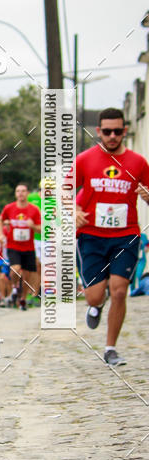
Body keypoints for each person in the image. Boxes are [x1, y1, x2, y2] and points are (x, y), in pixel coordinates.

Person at [74, 108, 149, 366]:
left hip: (125, 235)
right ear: (99, 132)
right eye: (107, 132)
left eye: (118, 131)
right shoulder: (84, 160)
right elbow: (60, 191)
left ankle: (110, 348)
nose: (113, 136)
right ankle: (95, 306)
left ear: (124, 131)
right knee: (95, 295)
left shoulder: (139, 163)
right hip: (91, 236)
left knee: (119, 291)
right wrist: (72, 209)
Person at [0, 184, 41, 310]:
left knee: (27, 276)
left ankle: (22, 299)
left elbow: (40, 228)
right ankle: (15, 286)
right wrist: (1, 234)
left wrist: (32, 226)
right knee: (15, 269)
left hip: (28, 247)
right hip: (13, 245)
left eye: (23, 191)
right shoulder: (9, 208)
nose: (21, 193)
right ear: (15, 194)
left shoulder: (33, 210)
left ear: (27, 193)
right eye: (18, 191)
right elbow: (1, 220)